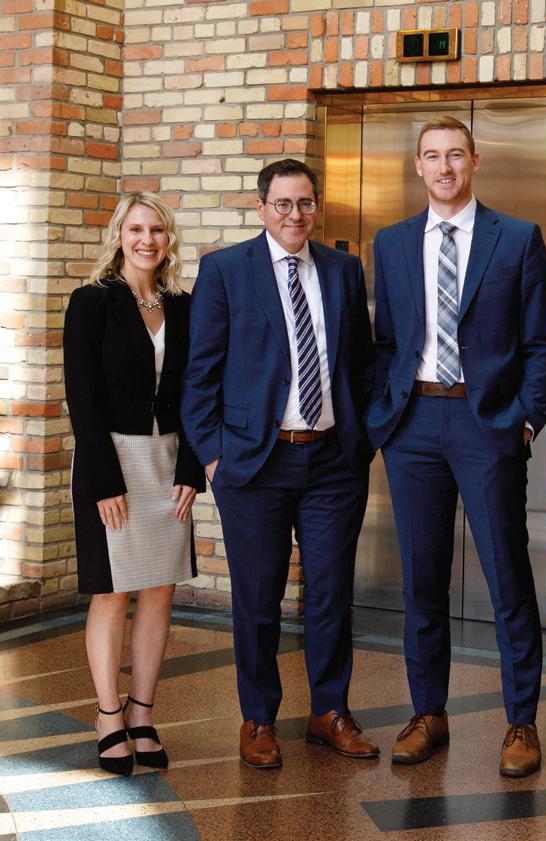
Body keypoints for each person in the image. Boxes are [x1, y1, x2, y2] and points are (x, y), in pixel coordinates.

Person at [367, 116, 546, 777]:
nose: (444, 167)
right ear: (418, 166)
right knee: (422, 579)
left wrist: (525, 419)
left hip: (487, 425)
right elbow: (385, 342)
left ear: (475, 161)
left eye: (455, 154)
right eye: (432, 156)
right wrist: (384, 415)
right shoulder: (391, 242)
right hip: (414, 425)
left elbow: (540, 342)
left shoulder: (517, 238)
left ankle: (521, 720)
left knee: (507, 576)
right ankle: (428, 713)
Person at [182, 159, 377, 770]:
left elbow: (362, 364)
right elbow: (199, 373)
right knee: (258, 598)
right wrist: (214, 457)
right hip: (254, 465)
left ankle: (329, 711)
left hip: (333, 462)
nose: (296, 215)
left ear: (317, 207)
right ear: (262, 207)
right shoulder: (225, 270)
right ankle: (258, 718)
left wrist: (362, 441)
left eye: (306, 203)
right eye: (284, 204)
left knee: (331, 594)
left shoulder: (344, 270)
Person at [64, 192, 204, 775]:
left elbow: (199, 391)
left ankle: (142, 712)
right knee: (112, 592)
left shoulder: (184, 306)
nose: (148, 240)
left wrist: (192, 467)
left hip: (168, 460)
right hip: (112, 461)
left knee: (160, 589)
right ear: (119, 234)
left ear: (169, 239)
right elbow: (82, 397)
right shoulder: (91, 302)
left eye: (158, 231)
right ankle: (107, 715)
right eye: (137, 229)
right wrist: (104, 480)